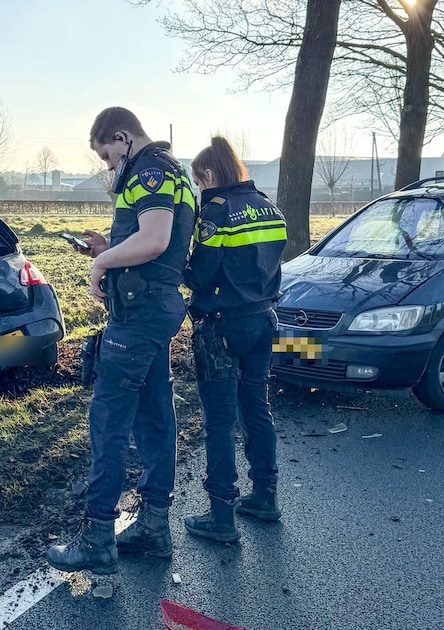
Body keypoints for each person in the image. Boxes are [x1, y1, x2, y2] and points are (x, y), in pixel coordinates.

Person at [46, 107, 196, 574]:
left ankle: (96, 538)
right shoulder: (176, 173)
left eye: (108, 156)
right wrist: (107, 247)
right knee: (155, 416)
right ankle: (153, 526)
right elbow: (158, 246)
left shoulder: (147, 172)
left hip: (138, 315)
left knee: (108, 421)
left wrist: (100, 263)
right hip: (155, 307)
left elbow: (153, 241)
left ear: (121, 136)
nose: (109, 167)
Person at [181, 136, 287, 543]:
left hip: (222, 328)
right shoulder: (268, 205)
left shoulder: (216, 211)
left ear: (208, 174)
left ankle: (221, 515)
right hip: (264, 321)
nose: (198, 187)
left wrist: (178, 268)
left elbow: (201, 275)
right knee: (257, 411)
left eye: (197, 180)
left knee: (220, 421)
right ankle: (265, 497)